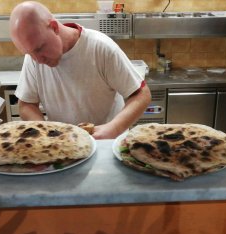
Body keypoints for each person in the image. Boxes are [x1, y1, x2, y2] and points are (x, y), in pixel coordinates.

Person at [9, 1, 151, 139]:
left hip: (106, 145)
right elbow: (26, 104)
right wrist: (46, 133)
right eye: (29, 53)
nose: (38, 60)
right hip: (63, 149)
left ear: (54, 27)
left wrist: (114, 128)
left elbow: (141, 95)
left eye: (40, 49)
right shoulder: (34, 59)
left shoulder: (101, 48)